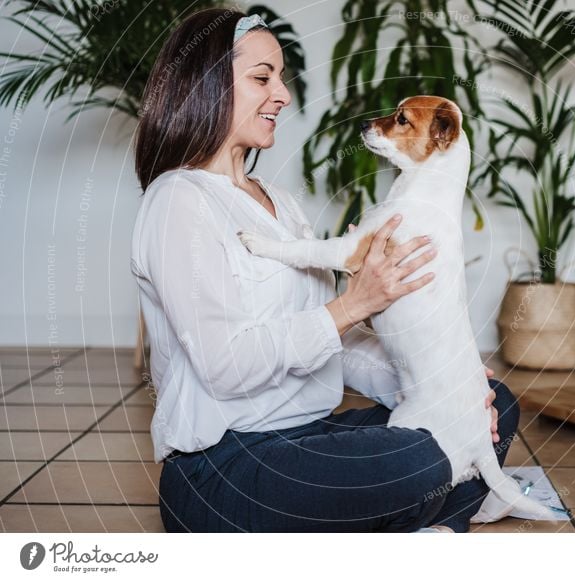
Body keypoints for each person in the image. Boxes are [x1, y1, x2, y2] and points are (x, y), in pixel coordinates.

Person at [130, 7, 521, 533]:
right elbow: (225, 367)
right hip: (228, 466)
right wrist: (353, 304)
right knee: (421, 461)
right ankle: (414, 520)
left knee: (492, 409)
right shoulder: (179, 201)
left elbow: (335, 352)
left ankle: (384, 527)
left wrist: (447, 389)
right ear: (210, 86)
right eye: (262, 78)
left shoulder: (282, 206)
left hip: (312, 437)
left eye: (282, 79)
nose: (283, 95)